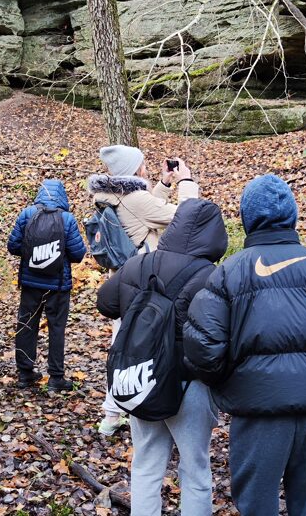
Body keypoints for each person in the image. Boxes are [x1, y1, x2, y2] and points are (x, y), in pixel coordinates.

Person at [184, 174, 306, 516]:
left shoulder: (228, 272)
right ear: (293, 216)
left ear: (246, 218)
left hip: (259, 416)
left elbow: (203, 349)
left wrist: (235, 386)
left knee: (257, 509)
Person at [96, 199, 228, 516]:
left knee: (145, 466)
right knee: (196, 471)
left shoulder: (140, 263)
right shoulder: (212, 275)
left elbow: (105, 302)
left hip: (142, 376)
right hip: (190, 385)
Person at [88, 144, 199, 436]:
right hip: (143, 280)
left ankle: (113, 412)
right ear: (135, 168)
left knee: (122, 339)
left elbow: (145, 211)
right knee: (139, 342)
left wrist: (163, 184)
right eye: (142, 163)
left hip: (123, 277)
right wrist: (186, 182)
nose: (146, 166)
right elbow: (184, 216)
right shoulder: (134, 198)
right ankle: (131, 405)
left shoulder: (112, 195)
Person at [7, 179, 87, 391]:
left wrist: (32, 256)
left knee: (26, 326)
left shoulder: (27, 214)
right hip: (58, 285)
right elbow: (78, 254)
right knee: (56, 329)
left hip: (30, 282)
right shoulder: (67, 219)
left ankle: (25, 374)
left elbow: (12, 246)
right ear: (62, 196)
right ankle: (56, 378)